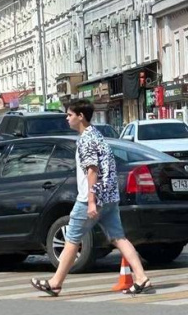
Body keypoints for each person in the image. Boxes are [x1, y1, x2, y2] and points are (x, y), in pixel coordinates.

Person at [30, 99, 151, 296]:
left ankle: (55, 283)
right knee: (118, 237)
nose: (67, 118)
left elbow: (92, 170)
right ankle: (141, 277)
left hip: (90, 198)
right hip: (109, 197)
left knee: (72, 239)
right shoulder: (97, 135)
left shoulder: (86, 139)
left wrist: (92, 201)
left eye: (70, 115)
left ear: (81, 116)